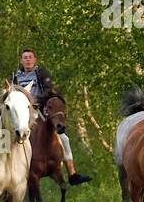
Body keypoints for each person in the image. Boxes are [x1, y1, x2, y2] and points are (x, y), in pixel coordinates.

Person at [11, 48, 91, 185]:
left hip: (39, 111)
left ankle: (72, 174)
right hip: (21, 113)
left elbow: (48, 90)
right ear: (21, 60)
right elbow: (11, 93)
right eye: (25, 57)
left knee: (64, 138)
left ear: (34, 59)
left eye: (30, 57)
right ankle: (7, 173)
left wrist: (35, 100)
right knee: (7, 137)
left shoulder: (41, 72)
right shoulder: (15, 76)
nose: (28, 60)